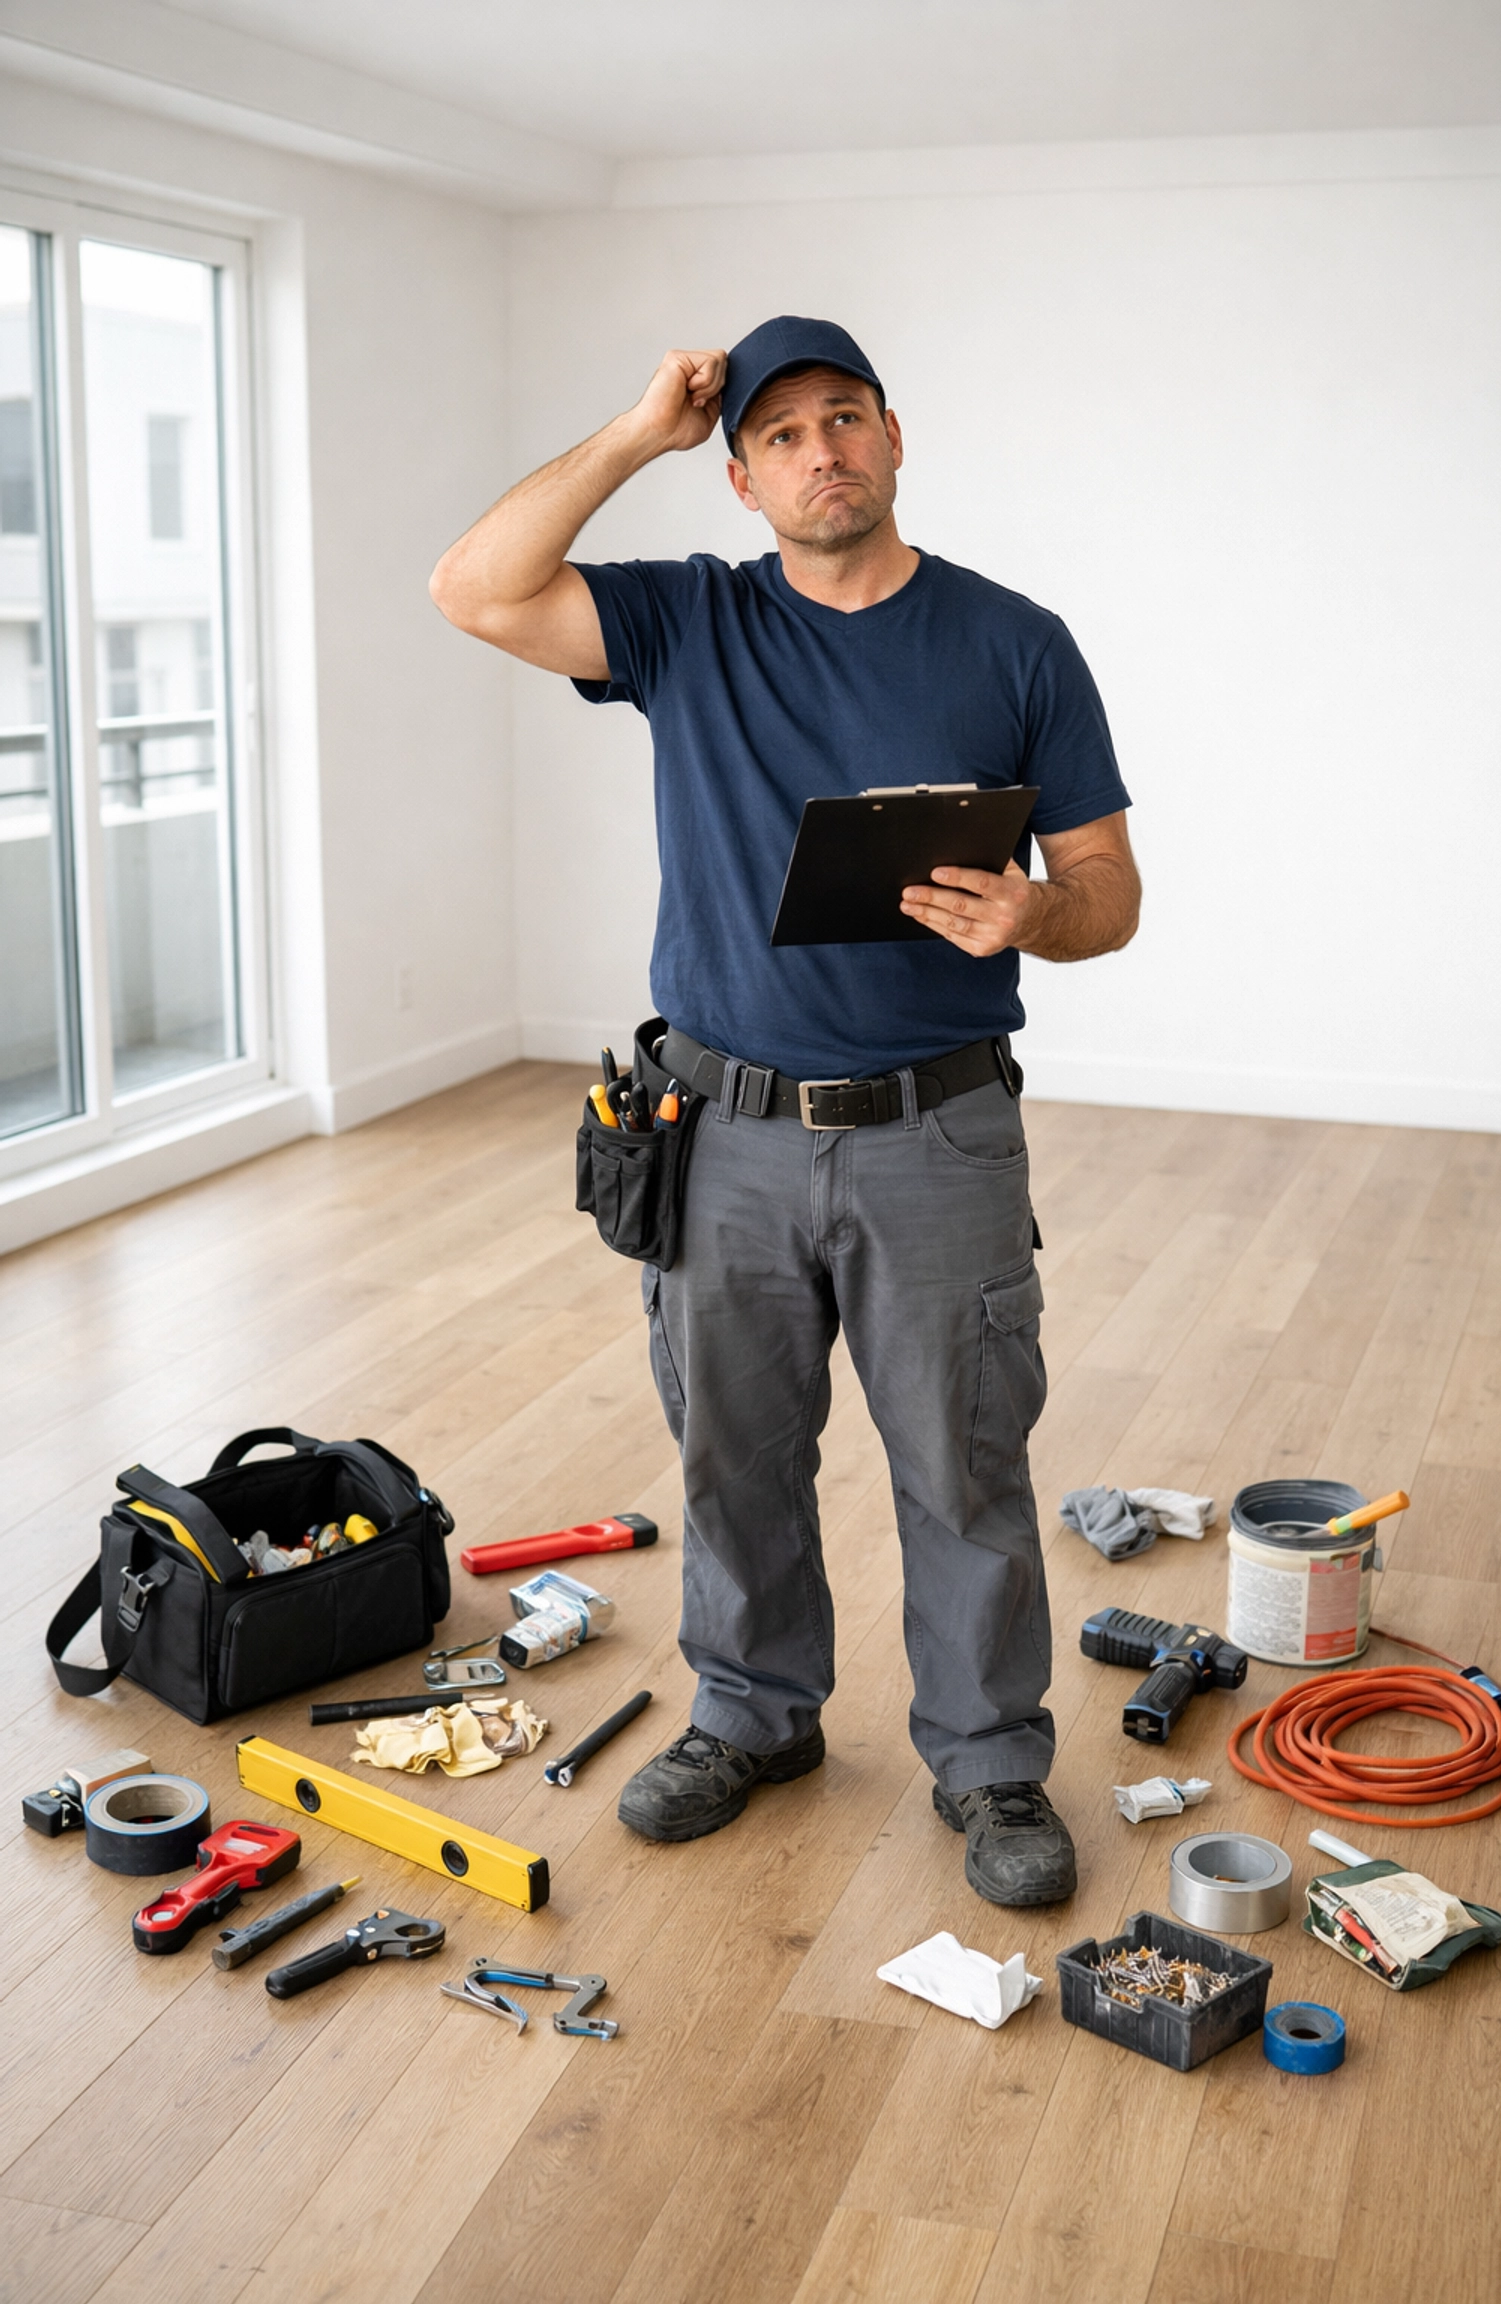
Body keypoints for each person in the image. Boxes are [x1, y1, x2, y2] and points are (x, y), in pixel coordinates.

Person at [430, 316, 1140, 1905]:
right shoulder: (686, 624)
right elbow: (472, 589)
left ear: (894, 437)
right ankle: (754, 1721)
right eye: (784, 436)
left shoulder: (1018, 644)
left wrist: (1041, 916)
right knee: (731, 1453)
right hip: (723, 1133)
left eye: (845, 419)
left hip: (940, 1131)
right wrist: (631, 436)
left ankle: (992, 1763)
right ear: (744, 477)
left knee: (963, 1464)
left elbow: (1111, 891)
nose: (822, 452)